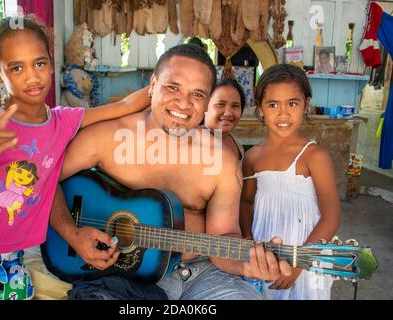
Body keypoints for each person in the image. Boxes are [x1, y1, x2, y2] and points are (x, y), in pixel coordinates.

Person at [50, 44, 291, 300]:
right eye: (173, 87)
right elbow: (43, 180)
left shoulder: (222, 161)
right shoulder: (105, 137)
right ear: (152, 85)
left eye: (197, 94)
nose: (183, 103)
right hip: (120, 275)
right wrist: (71, 233)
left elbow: (222, 239)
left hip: (198, 274)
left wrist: (248, 264)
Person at [0, 15, 150, 300]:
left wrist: (168, 83)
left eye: (39, 63)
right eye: (16, 68)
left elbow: (126, 105)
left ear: (51, 64)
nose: (32, 76)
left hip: (12, 259)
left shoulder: (62, 123)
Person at [241, 64, 340, 300]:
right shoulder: (253, 156)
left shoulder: (314, 156)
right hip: (263, 255)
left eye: (292, 104)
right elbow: (246, 202)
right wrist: (246, 244)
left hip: (305, 255)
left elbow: (332, 217)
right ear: (261, 108)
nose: (283, 114)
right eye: (273, 104)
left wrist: (299, 263)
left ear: (306, 103)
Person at [204, 78, 245, 160]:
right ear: (204, 106)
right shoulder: (193, 144)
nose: (228, 113)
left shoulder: (235, 143)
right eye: (220, 104)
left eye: (235, 106)